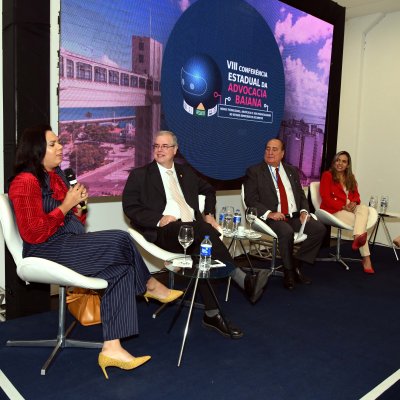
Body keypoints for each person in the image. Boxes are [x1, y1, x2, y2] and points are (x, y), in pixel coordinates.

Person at [8, 125, 183, 380]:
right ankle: (149, 284)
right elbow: (33, 233)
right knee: (120, 238)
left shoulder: (55, 176)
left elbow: (73, 222)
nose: (60, 147)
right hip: (45, 250)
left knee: (121, 269)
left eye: (59, 142)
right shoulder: (24, 182)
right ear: (37, 150)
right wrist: (66, 205)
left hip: (67, 242)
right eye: (54, 144)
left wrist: (78, 210)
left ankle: (112, 347)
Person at [122, 130, 270, 337]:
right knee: (202, 232)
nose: (159, 150)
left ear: (175, 150)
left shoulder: (186, 172)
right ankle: (241, 278)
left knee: (203, 248)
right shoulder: (140, 175)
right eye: (156, 146)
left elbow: (209, 190)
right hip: (165, 231)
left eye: (165, 146)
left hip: (195, 230)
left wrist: (209, 214)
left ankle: (212, 313)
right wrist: (158, 218)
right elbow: (130, 207)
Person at [244, 138, 326, 290]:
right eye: (268, 149)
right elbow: (251, 200)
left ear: (282, 153)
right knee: (286, 232)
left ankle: (295, 263)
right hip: (271, 218)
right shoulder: (254, 171)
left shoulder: (291, 171)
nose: (270, 152)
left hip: (294, 216)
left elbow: (301, 195)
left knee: (319, 229)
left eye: (274, 149)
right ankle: (289, 272)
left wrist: (303, 211)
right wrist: (269, 213)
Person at [319, 151, 374, 274]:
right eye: (338, 160)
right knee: (361, 224)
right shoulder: (327, 175)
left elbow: (356, 196)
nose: (340, 163)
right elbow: (325, 198)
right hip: (334, 210)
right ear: (334, 162)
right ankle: (366, 258)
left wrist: (354, 203)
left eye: (344, 161)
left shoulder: (351, 177)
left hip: (350, 207)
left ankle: (357, 236)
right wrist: (343, 207)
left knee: (364, 208)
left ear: (348, 165)